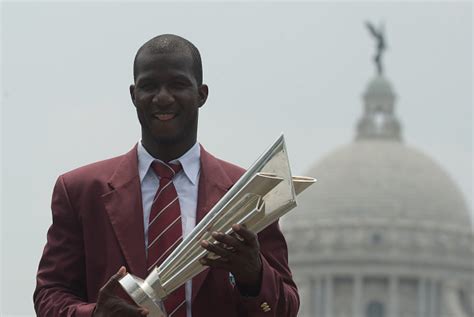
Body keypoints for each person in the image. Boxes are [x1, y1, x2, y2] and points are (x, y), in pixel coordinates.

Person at [34, 34, 299, 317]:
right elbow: (49, 295)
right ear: (133, 94)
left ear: (202, 94)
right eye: (149, 86)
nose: (162, 97)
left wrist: (255, 275)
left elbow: (285, 309)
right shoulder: (80, 191)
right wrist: (96, 314)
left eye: (177, 84)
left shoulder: (250, 192)